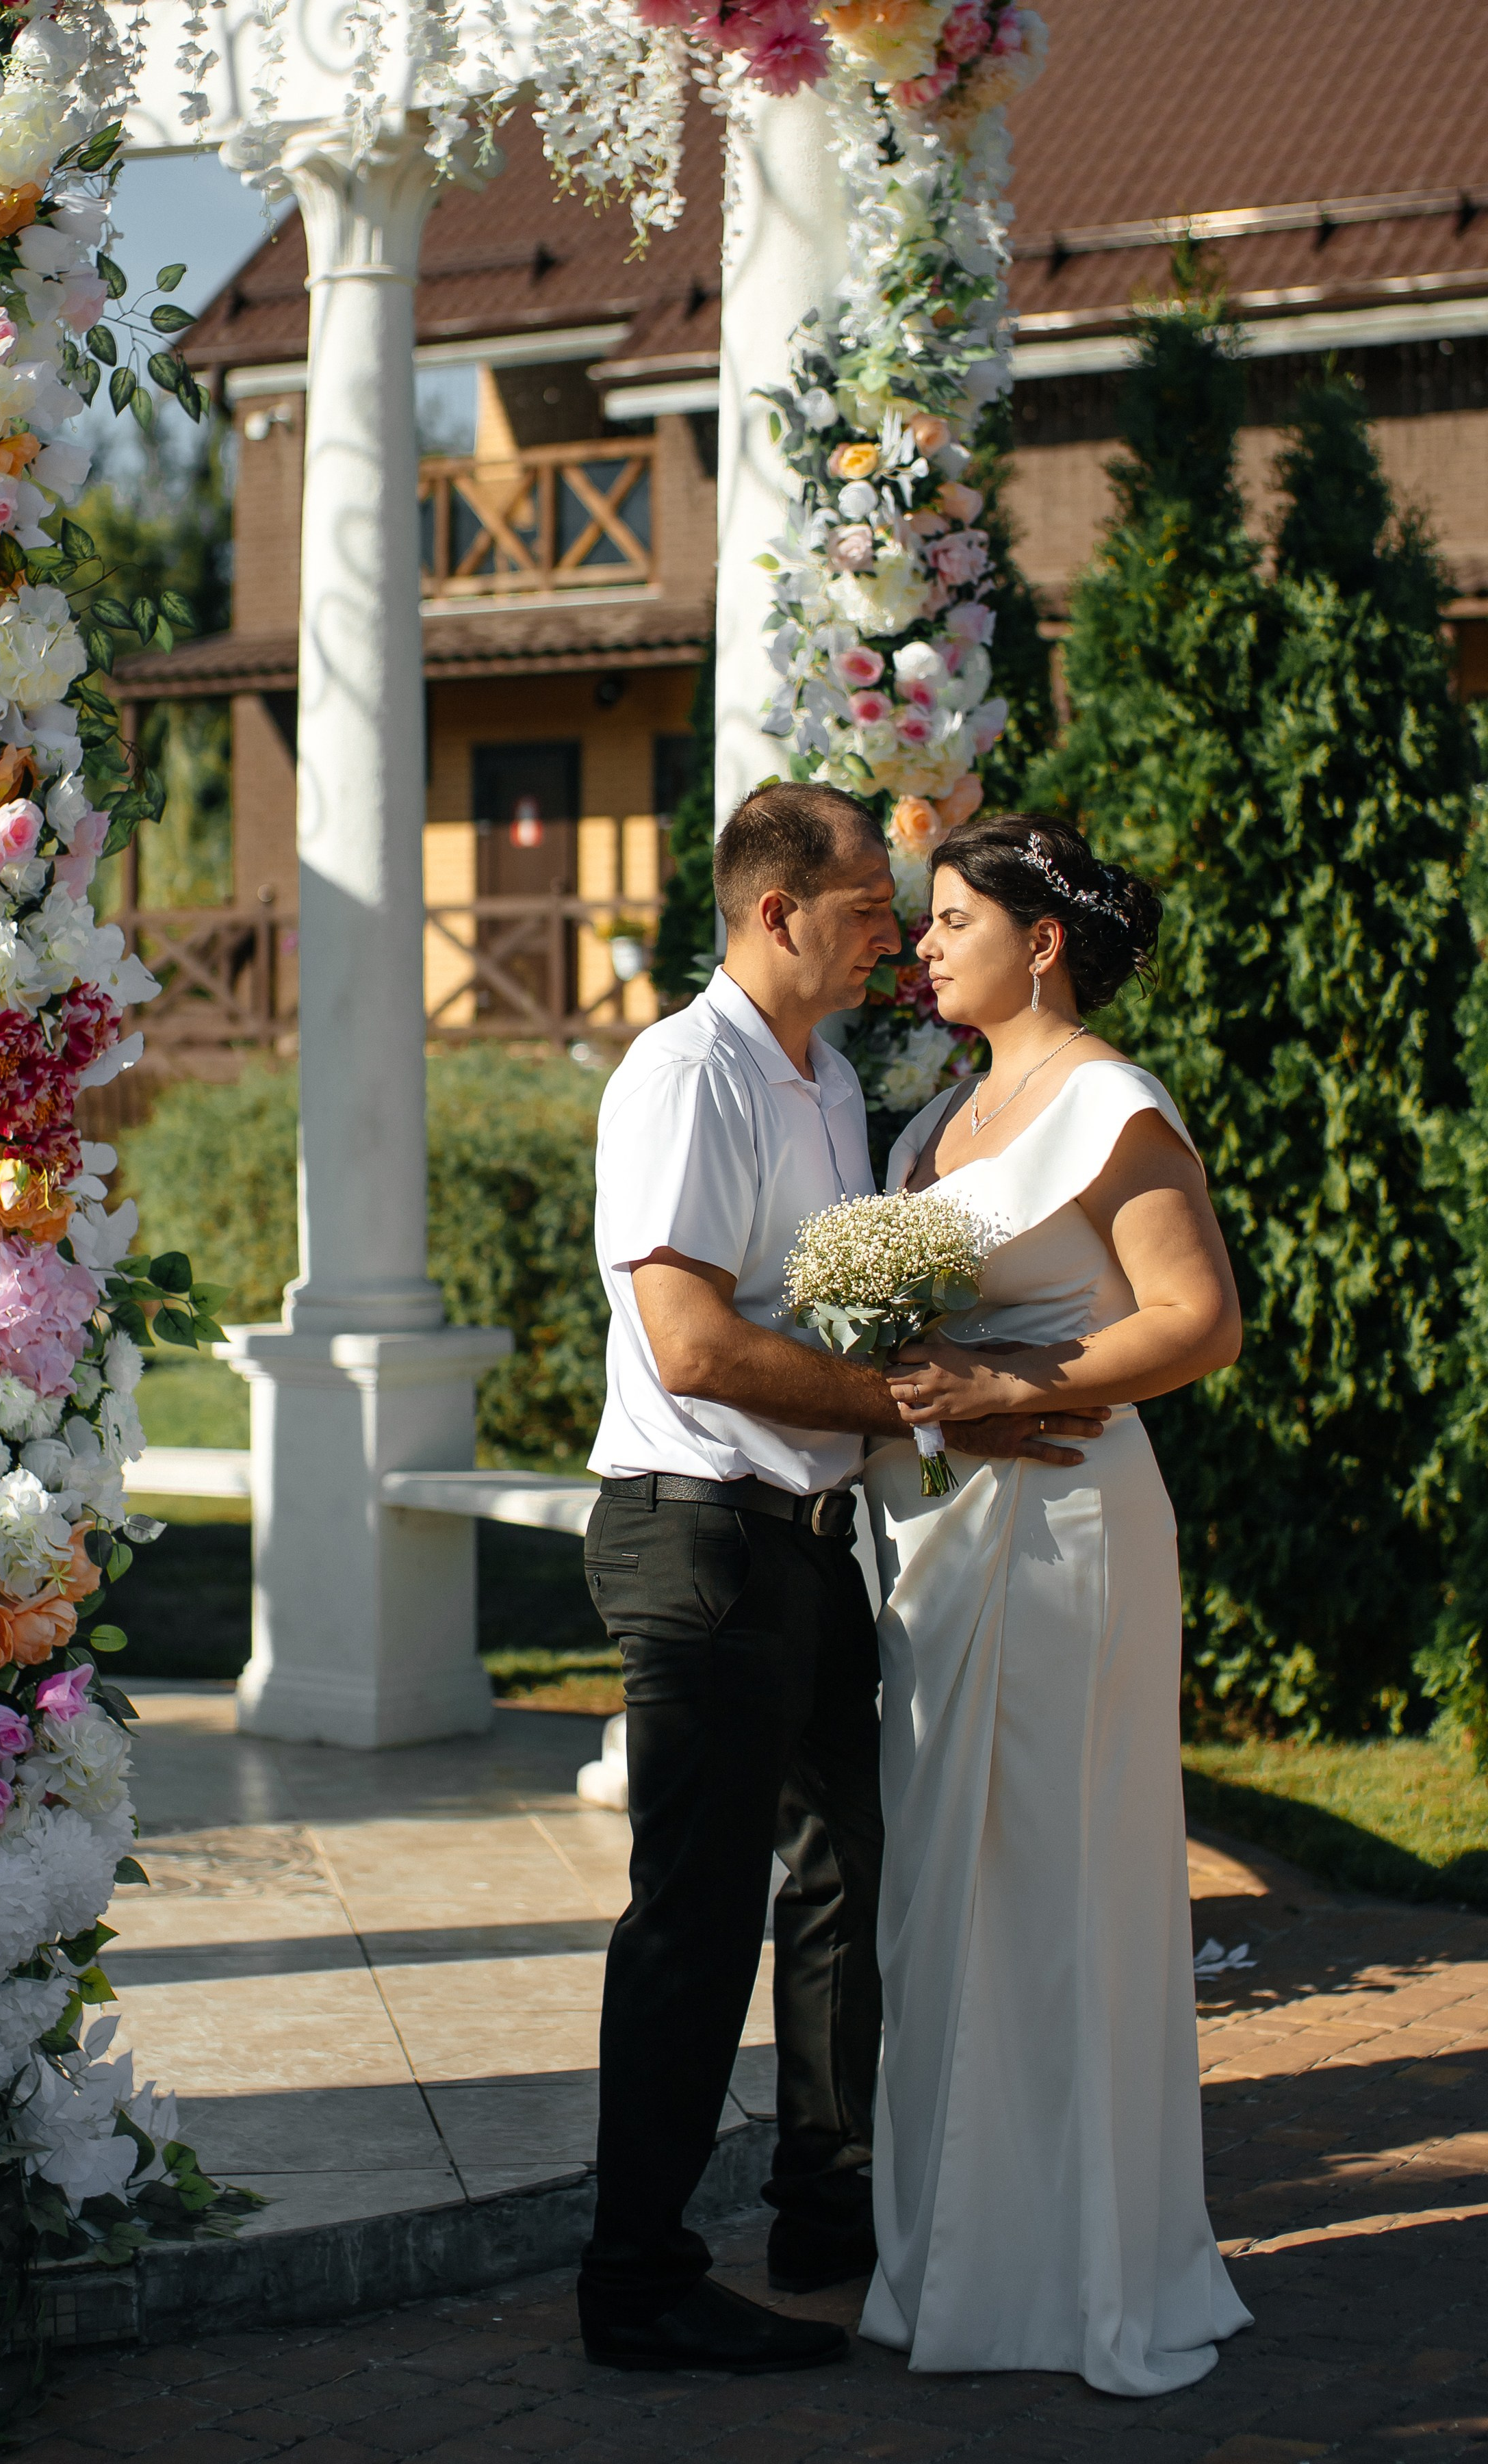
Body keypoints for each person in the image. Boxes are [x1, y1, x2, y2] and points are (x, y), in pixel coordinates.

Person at [576, 781, 1104, 2376]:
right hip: (700, 1530)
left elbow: (827, 1315)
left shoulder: (828, 1084)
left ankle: (826, 2204)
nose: (894, 929)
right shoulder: (686, 1076)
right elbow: (696, 1342)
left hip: (804, 1543)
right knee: (697, 1913)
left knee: (840, 1882)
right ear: (776, 913)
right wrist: (911, 1405)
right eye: (874, 901)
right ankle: (639, 2280)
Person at [859, 810, 1253, 2397]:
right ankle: (955, 2260)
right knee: (941, 1895)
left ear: (1043, 943)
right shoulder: (939, 1115)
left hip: (1075, 1524)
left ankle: (1087, 2274)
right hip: (939, 1541)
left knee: (1061, 1883)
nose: (926, 942)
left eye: (954, 919)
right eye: (927, 917)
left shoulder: (1112, 1105)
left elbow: (1200, 1321)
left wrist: (1008, 1379)